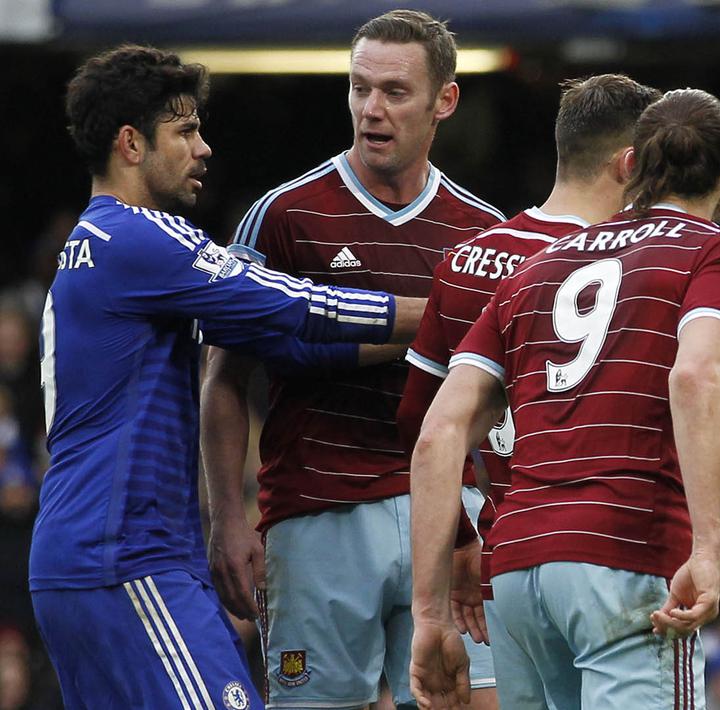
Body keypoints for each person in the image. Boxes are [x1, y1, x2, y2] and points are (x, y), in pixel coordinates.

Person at [30, 45, 425, 710]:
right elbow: (302, 305)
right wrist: (467, 310)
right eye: (184, 131)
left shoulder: (96, 245)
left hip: (86, 557)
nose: (204, 148)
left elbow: (285, 341)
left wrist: (429, 342)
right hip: (126, 557)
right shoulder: (141, 237)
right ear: (131, 143)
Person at [395, 74, 720, 694]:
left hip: (517, 569)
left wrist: (430, 613)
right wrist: (707, 546)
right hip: (627, 552)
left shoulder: (533, 269)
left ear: (637, 168)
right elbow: (695, 375)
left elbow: (437, 436)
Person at [199, 10, 504, 710]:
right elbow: (223, 375)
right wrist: (227, 518)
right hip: (316, 516)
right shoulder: (282, 216)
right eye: (359, 87)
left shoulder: (484, 232)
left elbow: (502, 401)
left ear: (444, 102)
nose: (372, 109)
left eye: (395, 91)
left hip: (447, 513)